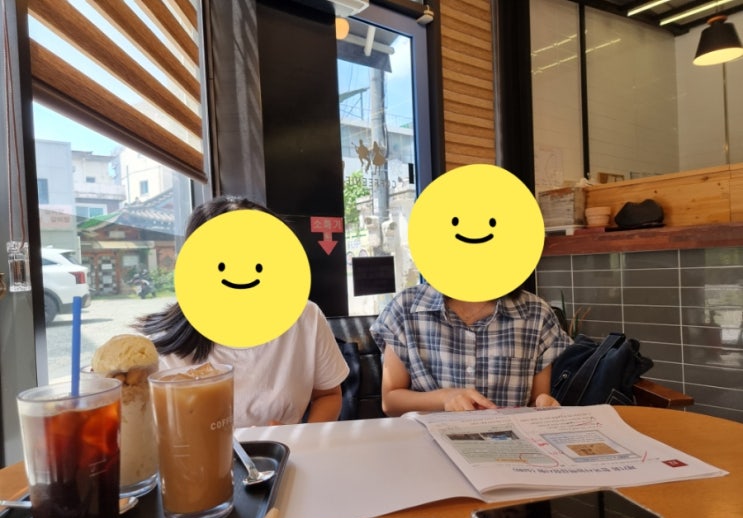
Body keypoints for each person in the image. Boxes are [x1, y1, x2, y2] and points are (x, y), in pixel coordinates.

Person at [136, 196, 348, 427]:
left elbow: (328, 395)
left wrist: (298, 438)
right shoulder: (155, 348)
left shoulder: (305, 317)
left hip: (282, 451)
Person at [370, 282, 572, 416]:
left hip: (510, 453)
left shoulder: (537, 313)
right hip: (427, 451)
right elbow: (391, 402)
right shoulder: (405, 308)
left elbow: (537, 400)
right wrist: (444, 398)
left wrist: (544, 405)